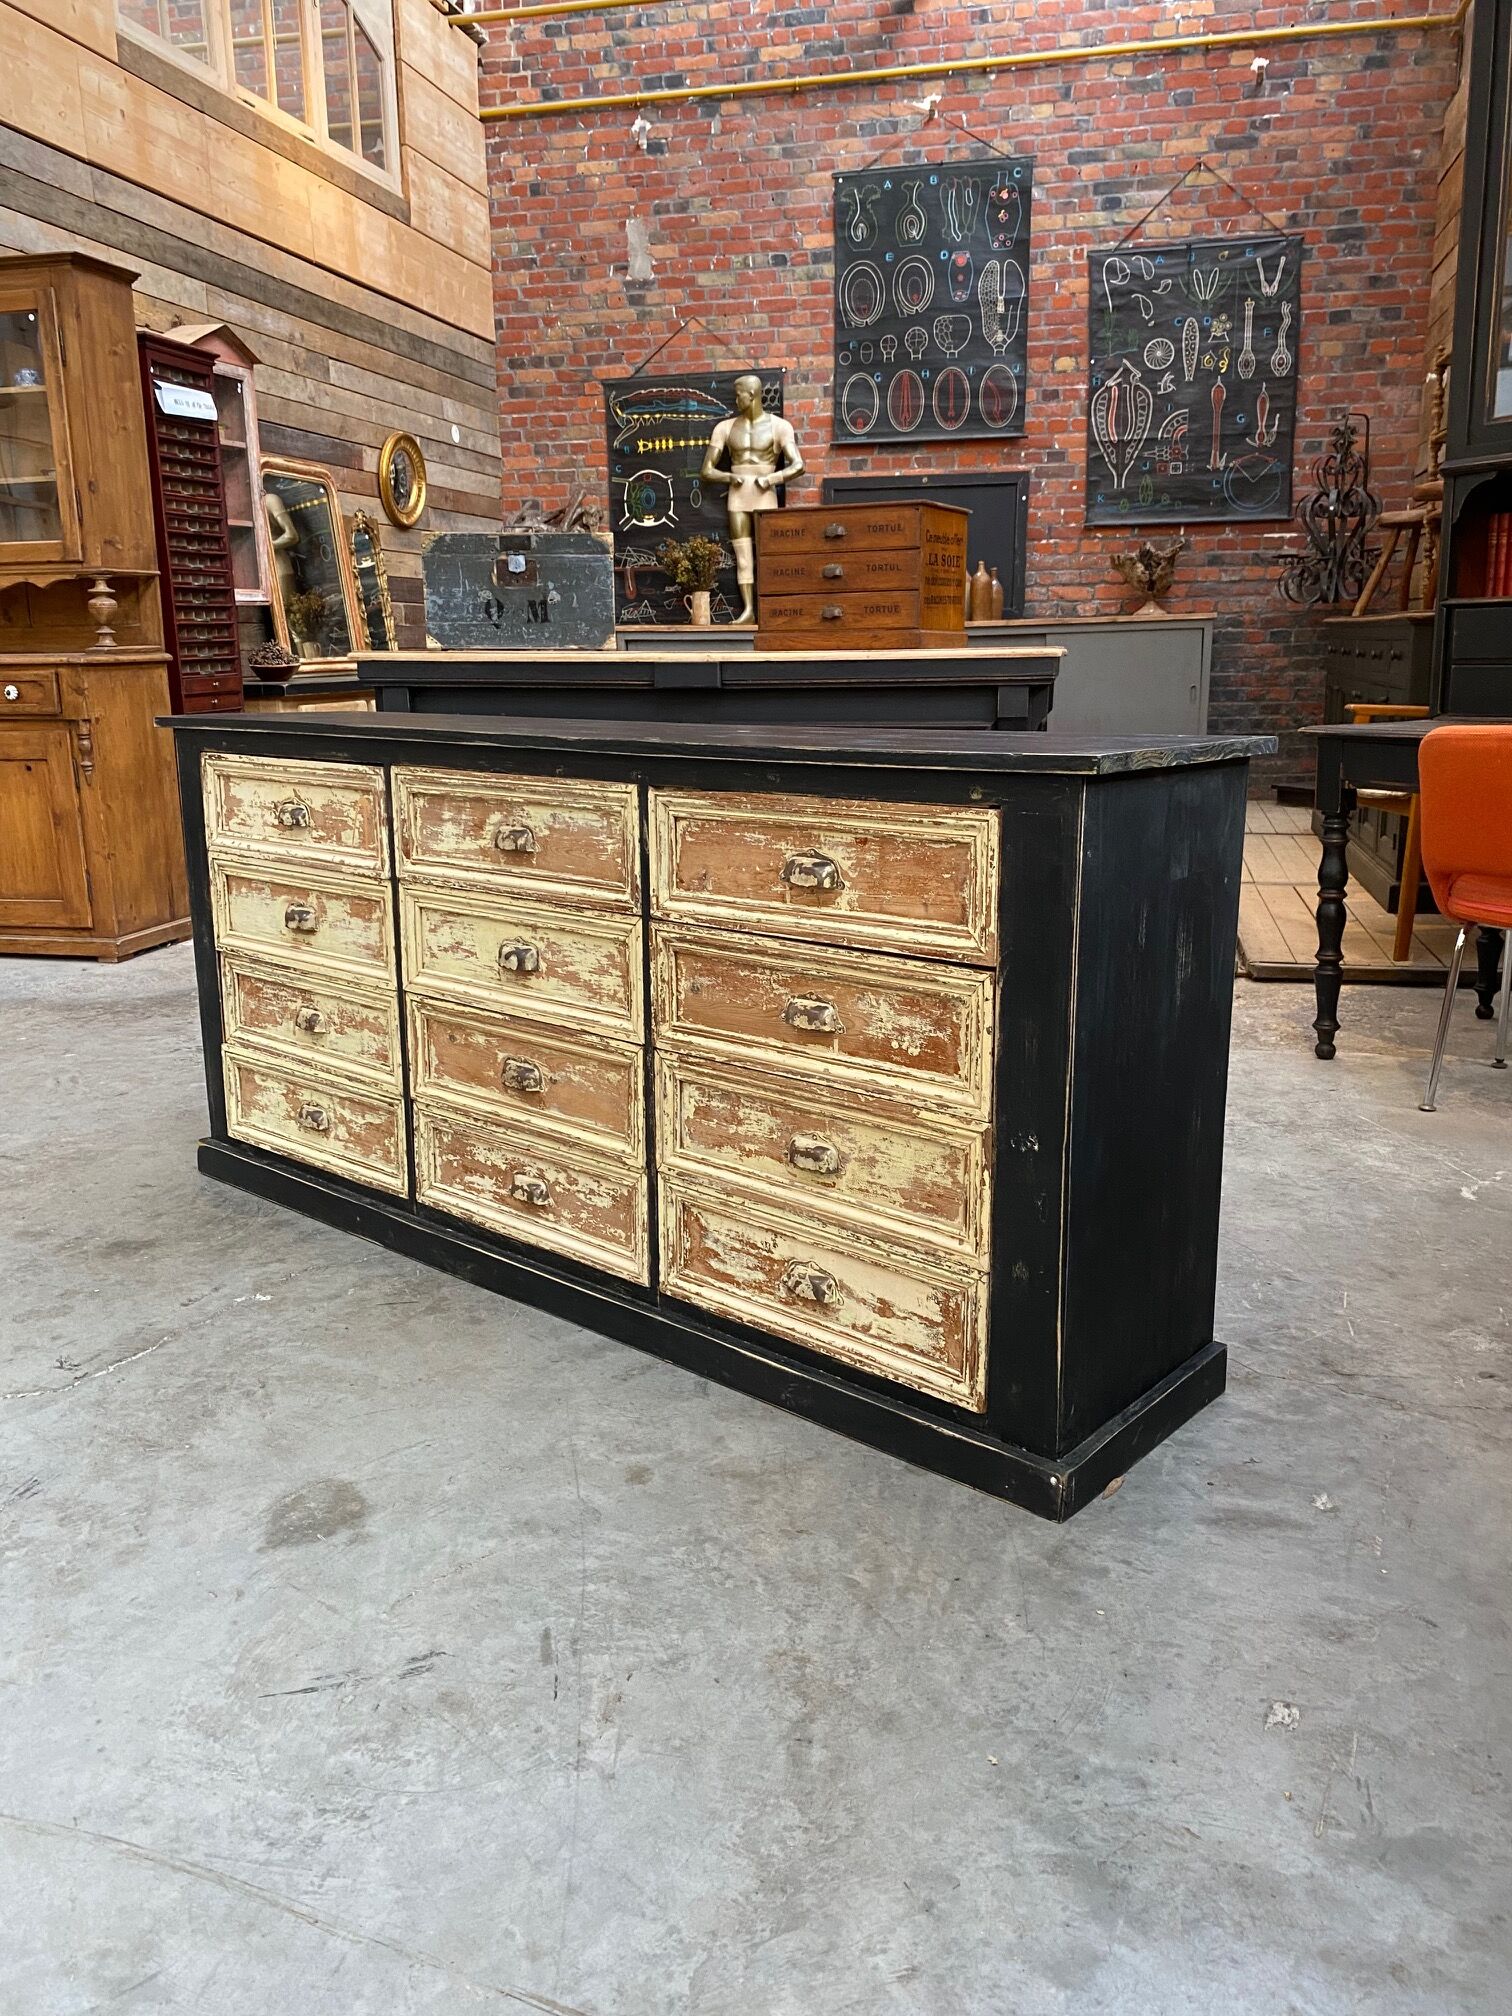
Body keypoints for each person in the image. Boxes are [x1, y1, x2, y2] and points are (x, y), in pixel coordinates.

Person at [699, 374, 804, 624]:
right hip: (738, 494)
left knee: (768, 553)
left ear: (752, 395)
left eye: (739, 394)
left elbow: (798, 465)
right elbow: (706, 470)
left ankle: (771, 608)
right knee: (743, 555)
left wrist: (771, 480)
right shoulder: (724, 428)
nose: (736, 400)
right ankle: (748, 611)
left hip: (765, 493)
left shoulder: (780, 426)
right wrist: (727, 478)